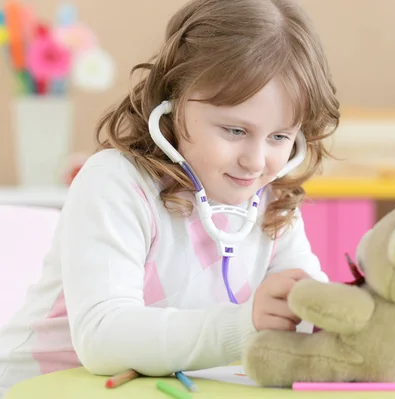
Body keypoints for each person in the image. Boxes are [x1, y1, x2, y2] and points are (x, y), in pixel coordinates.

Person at [0, 0, 340, 395]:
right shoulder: (115, 184)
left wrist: (337, 312)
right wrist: (245, 324)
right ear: (174, 100)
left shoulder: (272, 203)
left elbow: (307, 308)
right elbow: (103, 337)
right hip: (37, 388)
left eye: (279, 137)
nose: (255, 161)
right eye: (234, 130)